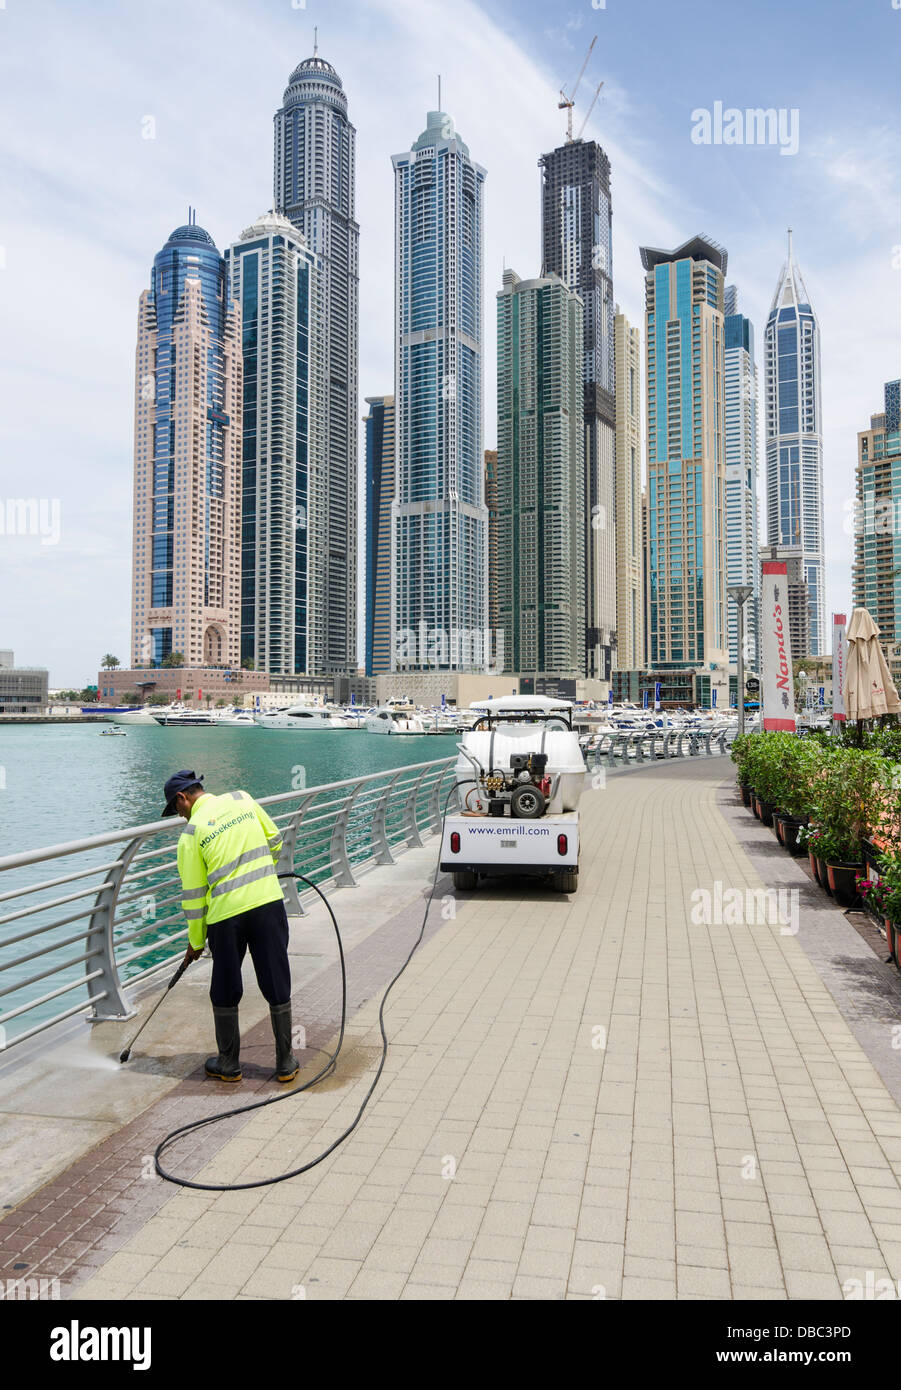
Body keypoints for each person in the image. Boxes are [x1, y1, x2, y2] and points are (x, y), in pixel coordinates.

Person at [162, 769, 299, 1084]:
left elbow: (195, 899)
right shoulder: (243, 799)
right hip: (267, 903)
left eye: (175, 808)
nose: (178, 815)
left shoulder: (191, 835)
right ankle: (286, 1063)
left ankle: (228, 1063)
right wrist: (261, 872)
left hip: (225, 918)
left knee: (224, 987)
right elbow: (275, 840)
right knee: (276, 978)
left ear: (183, 797)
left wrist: (196, 943)